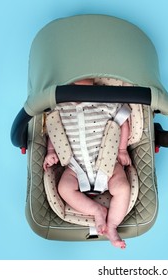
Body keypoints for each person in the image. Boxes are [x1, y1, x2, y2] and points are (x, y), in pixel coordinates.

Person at [43, 78, 131, 249]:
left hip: (107, 162)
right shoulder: (60, 102)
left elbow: (122, 121)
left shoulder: (106, 98)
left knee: (123, 188)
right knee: (64, 189)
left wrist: (122, 150)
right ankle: (97, 210)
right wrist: (51, 152)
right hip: (76, 168)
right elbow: (55, 130)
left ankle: (112, 226)